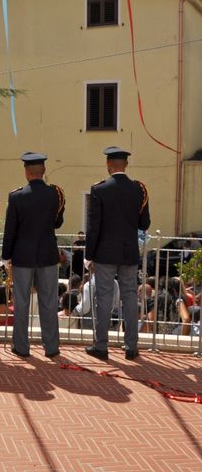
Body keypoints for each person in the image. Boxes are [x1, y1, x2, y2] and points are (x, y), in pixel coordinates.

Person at [85, 146, 151, 360]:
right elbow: (145, 223)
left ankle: (101, 346)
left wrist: (89, 255)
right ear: (126, 165)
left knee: (103, 298)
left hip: (104, 253)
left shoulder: (99, 189)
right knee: (130, 298)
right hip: (129, 251)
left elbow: (93, 226)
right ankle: (131, 347)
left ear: (108, 165)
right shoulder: (139, 189)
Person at [2, 152, 65, 358]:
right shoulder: (56, 193)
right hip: (47, 254)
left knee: (21, 303)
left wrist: (6, 256)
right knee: (48, 302)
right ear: (44, 171)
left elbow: (10, 229)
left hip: (23, 256)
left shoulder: (17, 196)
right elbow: (57, 222)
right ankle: (52, 347)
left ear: (27, 173)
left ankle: (21, 346)